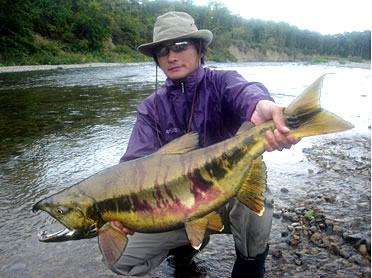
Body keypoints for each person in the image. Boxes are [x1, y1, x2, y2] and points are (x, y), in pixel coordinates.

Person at [108, 11, 299, 278]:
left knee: (257, 207)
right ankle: (187, 248)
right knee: (121, 260)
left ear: (200, 49)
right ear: (156, 59)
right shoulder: (150, 109)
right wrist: (121, 208)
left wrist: (260, 105)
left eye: (180, 46)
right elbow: (132, 168)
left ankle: (249, 265)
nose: (171, 56)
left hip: (231, 193)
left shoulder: (222, 84)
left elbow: (245, 92)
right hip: (176, 204)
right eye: (163, 50)